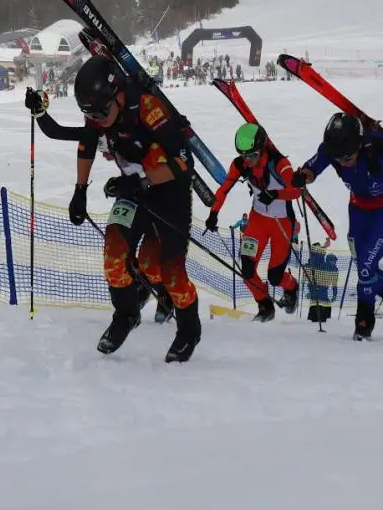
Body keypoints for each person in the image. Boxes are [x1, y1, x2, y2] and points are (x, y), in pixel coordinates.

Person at [23, 56, 202, 361]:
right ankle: (126, 315)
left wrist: (143, 181)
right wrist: (80, 191)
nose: (97, 119)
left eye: (102, 112)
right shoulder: (100, 112)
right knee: (114, 257)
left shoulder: (148, 108)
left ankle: (189, 330)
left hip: (169, 193)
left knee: (166, 272)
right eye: (90, 114)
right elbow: (85, 144)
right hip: (133, 191)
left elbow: (184, 163)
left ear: (118, 94)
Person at [290, 112, 383, 340]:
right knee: (362, 265)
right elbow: (312, 168)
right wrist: (302, 177)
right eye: (339, 159)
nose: (343, 163)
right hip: (358, 209)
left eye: (347, 157)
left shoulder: (382, 145)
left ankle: (365, 321)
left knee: (365, 267)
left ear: (359, 144)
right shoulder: (332, 150)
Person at [205, 123, 301, 322]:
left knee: (275, 277)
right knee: (247, 271)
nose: (248, 160)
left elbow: (295, 191)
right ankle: (265, 306)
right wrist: (213, 213)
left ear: (262, 148)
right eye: (243, 155)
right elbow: (224, 189)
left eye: (252, 155)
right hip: (257, 221)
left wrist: (275, 194)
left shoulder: (280, 163)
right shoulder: (240, 164)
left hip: (281, 223)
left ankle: (292, 287)